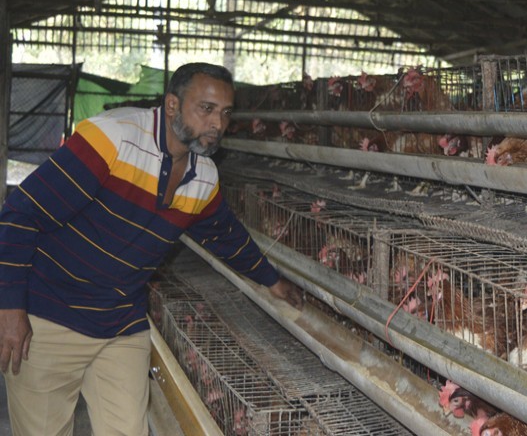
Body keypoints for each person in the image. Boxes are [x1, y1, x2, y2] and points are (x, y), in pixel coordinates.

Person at [0, 62, 304, 435]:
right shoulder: (111, 138)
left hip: (120, 323)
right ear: (173, 105)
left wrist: (272, 281)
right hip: (50, 317)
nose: (218, 124)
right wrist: (10, 307)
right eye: (206, 109)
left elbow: (226, 235)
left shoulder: (204, 176)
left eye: (225, 113)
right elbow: (20, 214)